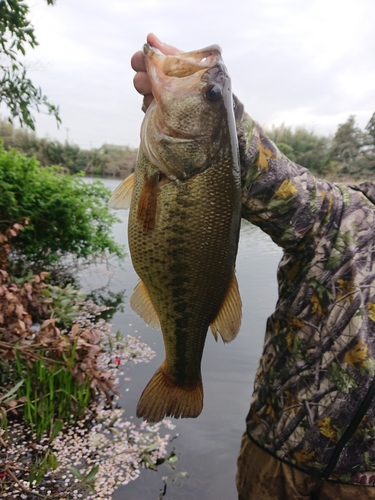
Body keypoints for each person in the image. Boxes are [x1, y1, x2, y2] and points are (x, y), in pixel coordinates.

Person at [131, 33, 375, 500]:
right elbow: (268, 180)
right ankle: (183, 371)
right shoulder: (345, 215)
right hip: (277, 465)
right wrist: (217, 103)